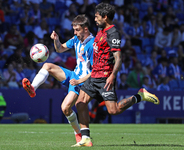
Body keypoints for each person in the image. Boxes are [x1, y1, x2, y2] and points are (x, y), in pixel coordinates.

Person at [71, 3, 160, 147]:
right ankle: (86, 138)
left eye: (97, 16)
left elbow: (118, 58)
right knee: (80, 103)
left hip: (105, 78)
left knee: (113, 110)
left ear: (105, 17)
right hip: (94, 76)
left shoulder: (113, 34)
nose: (94, 19)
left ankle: (140, 96)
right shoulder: (101, 28)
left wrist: (112, 75)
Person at [22, 15, 94, 143]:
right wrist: (56, 40)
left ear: (86, 29)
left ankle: (79, 135)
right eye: (74, 29)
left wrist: (79, 81)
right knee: (47, 66)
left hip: (82, 81)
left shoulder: (92, 45)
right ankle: (33, 88)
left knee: (65, 108)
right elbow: (60, 48)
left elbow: (95, 71)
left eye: (77, 30)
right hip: (74, 75)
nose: (74, 32)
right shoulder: (76, 39)